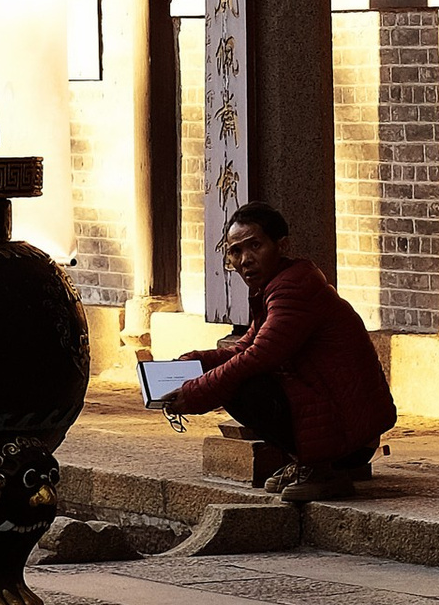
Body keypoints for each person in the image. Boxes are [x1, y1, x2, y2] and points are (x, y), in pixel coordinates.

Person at [165, 202, 396, 501]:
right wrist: (189, 364)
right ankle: (309, 463)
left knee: (243, 386)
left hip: (350, 436)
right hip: (340, 427)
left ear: (281, 245)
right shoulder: (275, 287)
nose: (245, 260)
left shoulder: (294, 289)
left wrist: (196, 392)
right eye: (235, 252)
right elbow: (244, 347)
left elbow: (259, 356)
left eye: (255, 246)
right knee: (233, 374)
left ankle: (322, 471)